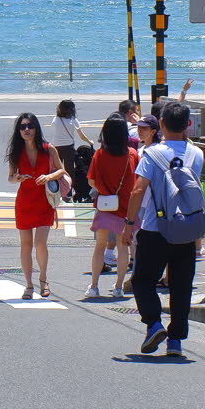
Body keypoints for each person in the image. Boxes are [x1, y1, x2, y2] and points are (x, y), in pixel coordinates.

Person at [126, 102, 205, 357]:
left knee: (142, 280)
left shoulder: (151, 154)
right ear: (188, 125)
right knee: (181, 285)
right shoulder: (197, 155)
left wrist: (129, 224)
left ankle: (154, 323)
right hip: (186, 228)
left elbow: (138, 190)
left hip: (155, 227)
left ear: (161, 124)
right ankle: (176, 341)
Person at [7, 111, 67, 300]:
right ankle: (28, 284)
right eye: (23, 126)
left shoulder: (48, 148)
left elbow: (61, 169)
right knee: (25, 244)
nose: (26, 130)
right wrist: (16, 178)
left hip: (44, 200)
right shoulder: (16, 152)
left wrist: (49, 176)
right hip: (24, 200)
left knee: (40, 242)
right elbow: (10, 177)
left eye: (30, 126)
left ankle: (43, 279)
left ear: (36, 128)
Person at [84, 115, 138, 300]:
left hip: (106, 207)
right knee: (123, 248)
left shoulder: (100, 154)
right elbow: (137, 181)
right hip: (126, 208)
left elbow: (91, 180)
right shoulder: (132, 154)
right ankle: (118, 287)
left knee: (100, 247)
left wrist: (105, 191)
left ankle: (94, 286)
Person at [45, 100, 92, 203]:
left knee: (55, 170)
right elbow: (81, 135)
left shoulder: (56, 119)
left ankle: (55, 190)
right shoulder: (73, 120)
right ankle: (68, 192)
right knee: (69, 171)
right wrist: (89, 141)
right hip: (68, 148)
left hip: (56, 147)